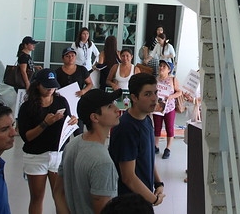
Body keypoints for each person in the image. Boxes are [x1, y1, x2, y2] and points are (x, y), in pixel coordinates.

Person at [17, 69, 78, 214]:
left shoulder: (61, 101)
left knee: (61, 197)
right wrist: (45, 124)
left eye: (53, 86)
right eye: (47, 86)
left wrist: (73, 121)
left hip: (58, 154)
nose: (51, 90)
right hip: (36, 156)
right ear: (38, 85)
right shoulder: (27, 107)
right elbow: (27, 137)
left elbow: (67, 122)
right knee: (37, 197)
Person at [59, 89, 122, 214]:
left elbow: (58, 192)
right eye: (109, 106)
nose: (117, 109)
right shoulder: (103, 162)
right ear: (95, 117)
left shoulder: (72, 145)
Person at [108, 73, 165, 207]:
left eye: (155, 93)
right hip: (130, 204)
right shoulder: (126, 128)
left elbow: (149, 157)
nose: (154, 98)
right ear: (134, 97)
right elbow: (128, 178)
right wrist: (154, 199)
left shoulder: (147, 119)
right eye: (147, 94)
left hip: (145, 197)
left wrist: (158, 183)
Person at [152, 60, 182, 159]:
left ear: (169, 70)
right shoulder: (156, 79)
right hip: (158, 107)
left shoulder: (173, 80)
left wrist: (171, 96)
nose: (161, 68)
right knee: (157, 127)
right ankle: (156, 146)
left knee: (169, 127)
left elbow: (179, 92)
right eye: (160, 65)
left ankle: (168, 148)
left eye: (164, 66)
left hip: (169, 108)